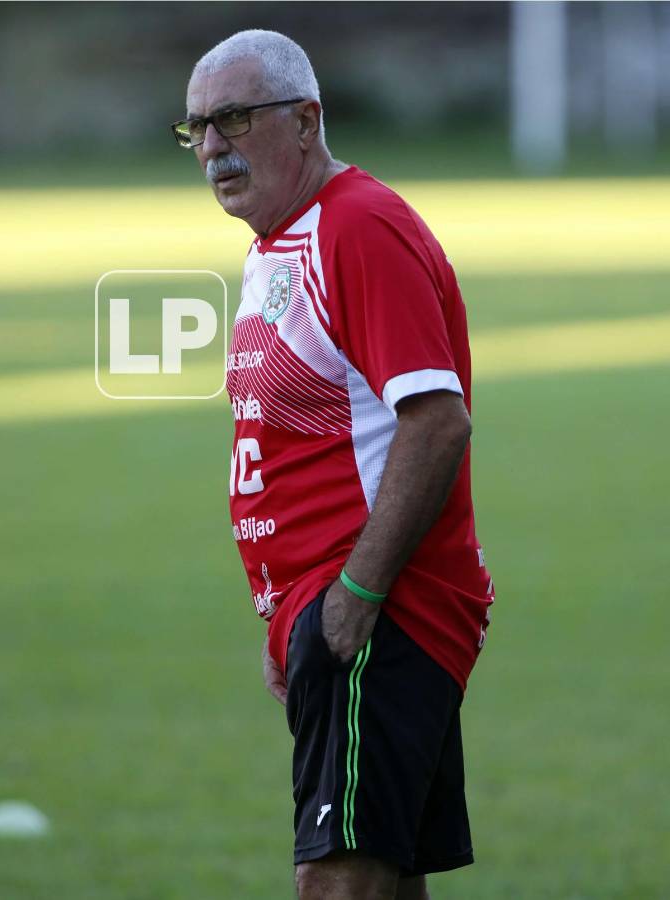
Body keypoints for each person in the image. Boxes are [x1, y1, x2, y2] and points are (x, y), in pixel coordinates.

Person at [173, 29, 494, 900]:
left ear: (306, 119)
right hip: (333, 615)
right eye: (197, 128)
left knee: (336, 879)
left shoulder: (356, 228)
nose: (211, 149)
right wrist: (290, 623)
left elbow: (435, 423)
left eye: (234, 120)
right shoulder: (280, 241)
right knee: (382, 878)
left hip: (377, 610)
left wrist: (348, 601)